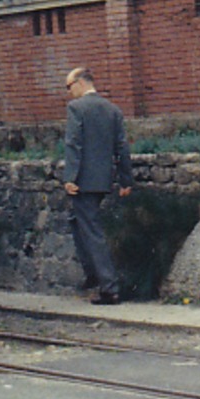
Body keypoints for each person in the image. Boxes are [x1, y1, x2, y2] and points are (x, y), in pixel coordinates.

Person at [62, 67, 134, 305]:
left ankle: (108, 287)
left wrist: (70, 178)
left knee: (91, 231)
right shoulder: (112, 109)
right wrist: (125, 180)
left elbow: (74, 143)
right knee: (77, 221)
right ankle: (92, 274)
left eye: (69, 86)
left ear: (81, 83)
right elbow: (122, 146)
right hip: (104, 180)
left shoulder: (76, 108)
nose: (69, 92)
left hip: (83, 181)